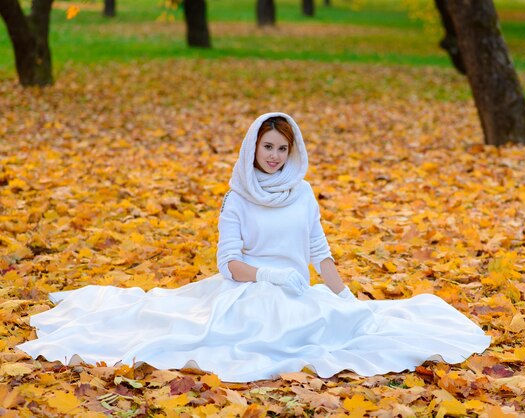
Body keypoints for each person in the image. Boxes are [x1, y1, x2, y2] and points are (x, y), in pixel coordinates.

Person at [17, 112, 490, 383]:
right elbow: (228, 264)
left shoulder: (301, 192)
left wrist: (343, 295)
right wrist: (266, 276)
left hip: (297, 291)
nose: (274, 156)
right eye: (267, 146)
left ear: (292, 152)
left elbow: (318, 251)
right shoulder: (236, 197)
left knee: (351, 325)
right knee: (238, 338)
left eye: (282, 149)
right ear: (253, 147)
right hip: (249, 289)